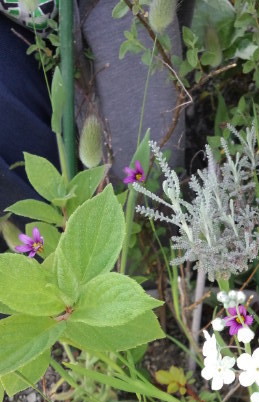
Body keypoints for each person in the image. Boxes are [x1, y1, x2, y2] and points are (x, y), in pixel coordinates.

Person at [0, 0, 194, 249]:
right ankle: (52, 257)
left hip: (98, 19)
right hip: (19, 34)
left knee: (145, 188)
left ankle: (143, 252)